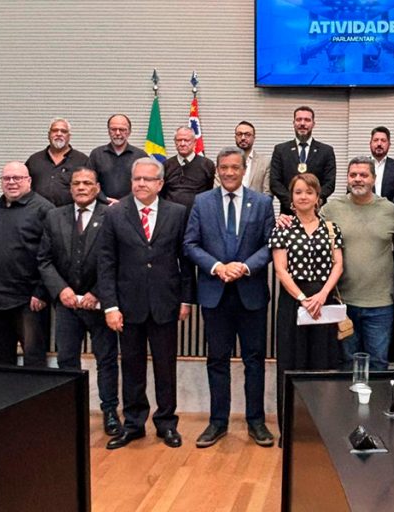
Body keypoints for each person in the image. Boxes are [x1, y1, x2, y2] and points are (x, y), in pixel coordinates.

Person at [97, 157, 194, 450]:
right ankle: (134, 424)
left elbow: (185, 260)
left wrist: (186, 298)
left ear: (160, 183)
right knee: (132, 367)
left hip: (166, 301)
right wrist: (110, 306)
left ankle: (166, 423)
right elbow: (106, 263)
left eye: (147, 179)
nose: (141, 183)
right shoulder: (115, 214)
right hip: (128, 305)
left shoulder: (177, 213)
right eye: (136, 179)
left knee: (166, 367)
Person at [184, 147, 276, 448]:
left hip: (250, 294)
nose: (229, 173)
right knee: (217, 360)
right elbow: (191, 244)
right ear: (217, 171)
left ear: (243, 169)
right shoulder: (202, 202)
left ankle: (256, 422)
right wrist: (217, 266)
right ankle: (217, 422)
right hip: (215, 293)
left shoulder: (262, 203)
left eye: (235, 167)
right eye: (223, 168)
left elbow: (270, 245)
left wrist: (245, 267)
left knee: (254, 360)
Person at [37, 166, 121, 437]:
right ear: (70, 188)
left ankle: (109, 412)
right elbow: (44, 260)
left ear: (97, 187)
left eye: (87, 183)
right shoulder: (54, 216)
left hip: (100, 304)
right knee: (66, 360)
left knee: (107, 360)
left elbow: (119, 261)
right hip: (68, 304)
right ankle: (70, 414)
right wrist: (61, 290)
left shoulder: (113, 215)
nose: (81, 188)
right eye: (76, 183)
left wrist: (98, 292)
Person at [269, 173, 344, 430]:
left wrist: (322, 295)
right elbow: (281, 269)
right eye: (298, 192)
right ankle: (291, 428)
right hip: (294, 302)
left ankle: (322, 427)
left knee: (323, 364)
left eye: (309, 192)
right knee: (292, 363)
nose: (303, 196)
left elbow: (338, 265)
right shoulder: (282, 228)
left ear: (317, 197)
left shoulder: (332, 228)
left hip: (324, 301)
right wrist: (303, 299)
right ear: (291, 198)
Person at [322, 156, 394, 371]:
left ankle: (376, 406)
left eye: (363, 175)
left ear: (373, 179)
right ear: (347, 179)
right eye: (353, 175)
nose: (358, 179)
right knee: (347, 365)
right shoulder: (331, 209)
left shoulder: (390, 210)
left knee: (378, 364)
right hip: (343, 302)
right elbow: (310, 229)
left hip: (380, 304)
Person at [0, 162, 54, 367]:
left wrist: (41, 291)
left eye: (17, 178)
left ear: (28, 180)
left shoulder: (44, 209)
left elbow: (53, 254)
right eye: (7, 178)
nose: (12, 182)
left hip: (27, 301)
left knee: (33, 363)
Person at [269, 106, 337, 214]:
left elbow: (329, 183)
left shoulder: (326, 151)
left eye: (307, 120)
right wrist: (292, 202)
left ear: (313, 124)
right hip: (288, 213)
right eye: (299, 119)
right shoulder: (280, 150)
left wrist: (315, 201)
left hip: (317, 211)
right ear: (294, 123)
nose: (302, 123)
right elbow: (275, 182)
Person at [25, 118, 89, 206]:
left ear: (69, 136)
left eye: (63, 131)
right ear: (48, 135)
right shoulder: (34, 160)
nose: (59, 134)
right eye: (55, 131)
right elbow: (24, 186)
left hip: (69, 216)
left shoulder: (82, 160)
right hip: (38, 214)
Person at [86, 114, 148, 203]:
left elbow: (145, 183)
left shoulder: (141, 156)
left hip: (132, 207)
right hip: (102, 207)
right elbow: (89, 182)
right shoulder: (96, 154)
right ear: (108, 131)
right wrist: (105, 199)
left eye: (122, 129)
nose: (118, 133)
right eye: (113, 129)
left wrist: (124, 202)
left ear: (129, 132)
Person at [161, 126, 215, 213]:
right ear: (175, 142)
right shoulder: (166, 165)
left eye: (186, 140)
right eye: (179, 140)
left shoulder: (207, 165)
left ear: (194, 142)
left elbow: (210, 191)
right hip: (171, 216)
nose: (182, 143)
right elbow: (162, 192)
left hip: (197, 214)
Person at [369, 126, 394, 209]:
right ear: (370, 143)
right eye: (376, 140)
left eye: (383, 141)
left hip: (389, 215)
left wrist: (388, 211)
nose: (379, 144)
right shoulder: (361, 165)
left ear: (389, 145)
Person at [230, 121, 271, 194]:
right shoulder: (225, 162)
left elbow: (267, 193)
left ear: (254, 138)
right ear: (235, 137)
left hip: (256, 205)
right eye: (239, 134)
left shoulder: (265, 163)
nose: (243, 138)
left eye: (247, 134)